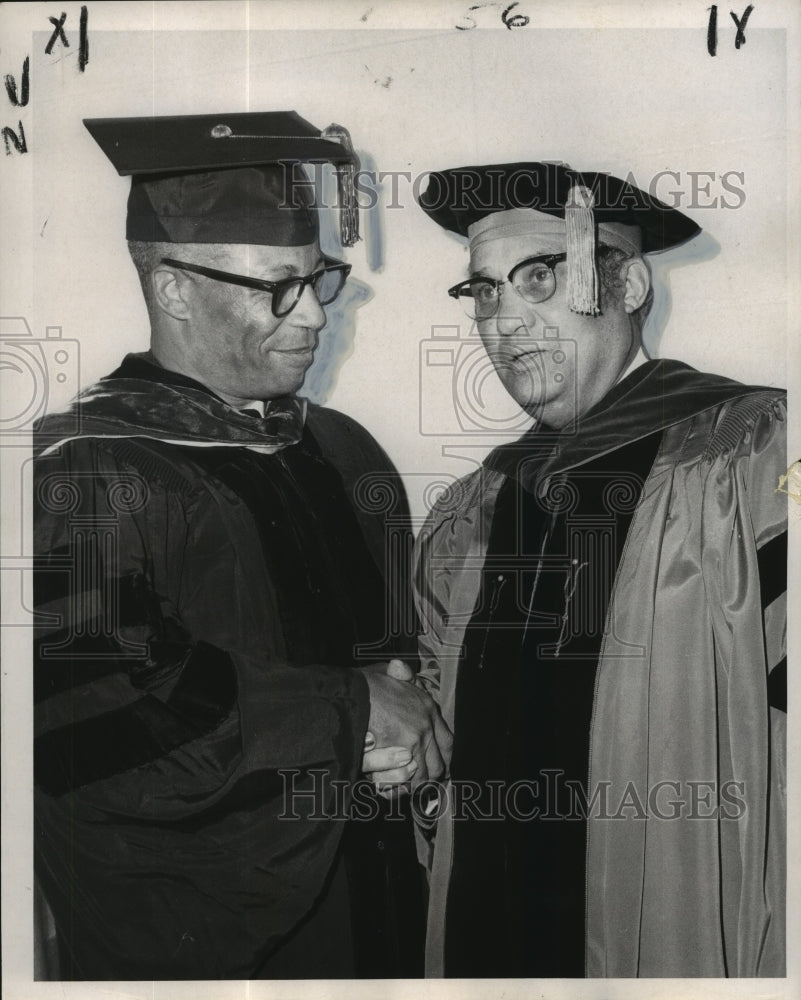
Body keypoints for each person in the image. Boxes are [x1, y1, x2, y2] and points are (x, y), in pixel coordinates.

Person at [32, 111, 450, 981]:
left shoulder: (340, 448)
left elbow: (395, 663)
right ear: (173, 286)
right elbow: (101, 722)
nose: (312, 317)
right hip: (205, 930)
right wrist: (350, 712)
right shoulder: (88, 468)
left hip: (372, 896)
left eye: (318, 280)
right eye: (276, 287)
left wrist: (416, 734)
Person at [412, 162, 787, 978]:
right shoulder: (473, 508)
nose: (504, 321)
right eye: (483, 293)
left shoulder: (747, 456)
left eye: (538, 279)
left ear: (629, 285)